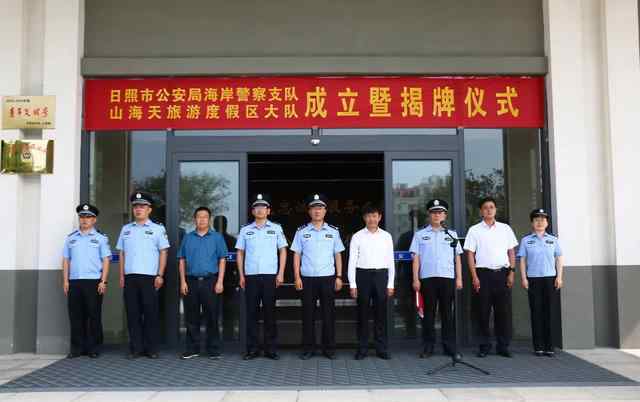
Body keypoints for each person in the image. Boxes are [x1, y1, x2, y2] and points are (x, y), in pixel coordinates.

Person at [116, 191, 170, 359]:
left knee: (150, 314)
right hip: (130, 277)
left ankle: (151, 348)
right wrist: (122, 276)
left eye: (142, 206)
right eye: (136, 207)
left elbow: (163, 252)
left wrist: (160, 275)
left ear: (149, 210)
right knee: (132, 314)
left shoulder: (157, 229)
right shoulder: (126, 229)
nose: (138, 209)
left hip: (149, 278)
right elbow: (122, 254)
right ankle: (136, 348)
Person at [291, 194, 345, 360]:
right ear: (309, 211)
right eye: (314, 208)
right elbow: (296, 255)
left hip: (328, 278)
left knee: (328, 315)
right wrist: (297, 277)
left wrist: (339, 276)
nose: (317, 211)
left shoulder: (333, 232)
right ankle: (308, 349)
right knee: (308, 315)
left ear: (325, 211)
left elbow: (338, 255)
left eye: (320, 208)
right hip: (307, 279)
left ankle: (329, 349)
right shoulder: (302, 232)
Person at [464, 196, 518, 358]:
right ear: (481, 211)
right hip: (483, 275)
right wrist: (474, 277)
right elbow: (470, 254)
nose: (489, 210)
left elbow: (511, 252)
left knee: (503, 312)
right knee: (482, 312)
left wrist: (512, 272)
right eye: (485, 207)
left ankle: (503, 346)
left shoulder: (505, 229)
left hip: (502, 273)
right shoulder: (474, 230)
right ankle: (484, 345)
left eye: (492, 207)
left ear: (495, 210)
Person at [235, 194, 288, 360]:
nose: (260, 210)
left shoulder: (276, 228)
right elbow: (240, 253)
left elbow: (283, 251)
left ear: (268, 211)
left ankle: (270, 349)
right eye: (256, 207)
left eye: (263, 207)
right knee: (251, 314)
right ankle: (252, 349)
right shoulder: (245, 230)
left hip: (270, 276)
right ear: (252, 211)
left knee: (269, 313)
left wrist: (280, 273)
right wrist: (241, 274)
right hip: (250, 276)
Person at [410, 199, 463, 360]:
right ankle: (428, 346)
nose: (436, 215)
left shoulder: (451, 234)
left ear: (445, 215)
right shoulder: (420, 234)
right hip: (427, 279)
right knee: (429, 315)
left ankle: (449, 347)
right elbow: (416, 258)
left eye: (440, 212)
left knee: (448, 314)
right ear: (429, 215)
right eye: (433, 212)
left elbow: (458, 259)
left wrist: (459, 278)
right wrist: (415, 279)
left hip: (447, 278)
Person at [178, 206, 228, 359]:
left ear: (209, 219)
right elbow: (182, 260)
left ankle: (213, 349)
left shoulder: (217, 237)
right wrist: (182, 281)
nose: (202, 219)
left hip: (210, 281)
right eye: (199, 217)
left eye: (205, 217)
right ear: (195, 219)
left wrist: (220, 281)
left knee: (212, 316)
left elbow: (222, 259)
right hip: (191, 281)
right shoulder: (188, 237)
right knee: (191, 317)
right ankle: (193, 349)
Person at [62, 203, 111, 358]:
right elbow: (66, 260)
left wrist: (103, 281)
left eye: (88, 217)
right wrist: (65, 281)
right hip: (75, 281)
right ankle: (77, 348)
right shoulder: (71, 238)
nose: (84, 220)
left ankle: (93, 348)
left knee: (93, 315)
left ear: (94, 220)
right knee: (76, 316)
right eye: (82, 217)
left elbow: (106, 260)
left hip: (93, 281)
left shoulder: (100, 238)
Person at [347, 203, 395, 360]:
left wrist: (391, 284)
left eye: (374, 215)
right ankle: (362, 348)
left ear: (379, 217)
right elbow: (352, 261)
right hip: (363, 276)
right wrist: (352, 284)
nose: (371, 219)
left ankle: (381, 348)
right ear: (364, 218)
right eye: (368, 216)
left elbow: (390, 262)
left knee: (380, 314)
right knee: (362, 314)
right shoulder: (357, 236)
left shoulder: (386, 236)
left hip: (381, 276)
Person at [518, 208, 564, 357]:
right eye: (536, 219)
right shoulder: (526, 240)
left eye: (543, 219)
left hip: (550, 279)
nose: (540, 222)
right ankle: (538, 346)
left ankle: (549, 346)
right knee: (536, 312)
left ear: (547, 223)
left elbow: (559, 259)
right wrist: (524, 278)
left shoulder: (553, 240)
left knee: (549, 313)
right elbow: (523, 260)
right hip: (533, 279)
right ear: (532, 222)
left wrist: (559, 277)